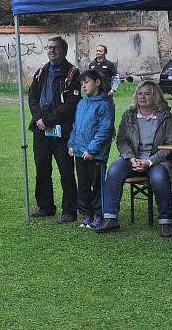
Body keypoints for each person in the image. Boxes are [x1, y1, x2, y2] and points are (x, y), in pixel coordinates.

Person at [95, 81, 172, 237]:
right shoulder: (129, 115)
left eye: (148, 94)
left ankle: (166, 221)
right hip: (133, 158)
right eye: (140, 93)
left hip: (160, 160)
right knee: (114, 170)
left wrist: (149, 162)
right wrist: (131, 158)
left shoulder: (165, 117)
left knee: (158, 176)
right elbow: (121, 140)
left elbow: (171, 145)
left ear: (155, 97)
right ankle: (110, 218)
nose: (143, 97)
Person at [28, 36, 81, 223]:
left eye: (55, 48)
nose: (51, 51)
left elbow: (71, 103)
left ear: (64, 51)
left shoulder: (73, 74)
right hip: (41, 129)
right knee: (42, 169)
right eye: (49, 48)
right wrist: (39, 119)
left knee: (66, 171)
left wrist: (49, 120)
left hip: (61, 130)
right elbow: (32, 98)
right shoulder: (41, 72)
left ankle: (69, 210)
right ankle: (45, 206)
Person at [67, 70, 114, 229]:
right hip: (80, 153)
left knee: (97, 186)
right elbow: (76, 126)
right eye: (81, 83)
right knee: (83, 185)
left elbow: (104, 130)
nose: (83, 86)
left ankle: (99, 215)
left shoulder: (105, 105)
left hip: (95, 156)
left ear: (97, 83)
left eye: (86, 82)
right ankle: (87, 214)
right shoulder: (81, 103)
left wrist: (92, 150)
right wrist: (72, 144)